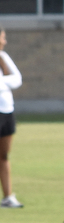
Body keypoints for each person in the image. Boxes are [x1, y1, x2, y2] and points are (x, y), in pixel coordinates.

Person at [0, 26, 23, 209]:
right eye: (3, 37)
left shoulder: (3, 57)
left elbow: (17, 79)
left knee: (4, 155)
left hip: (7, 111)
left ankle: (8, 197)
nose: (5, 41)